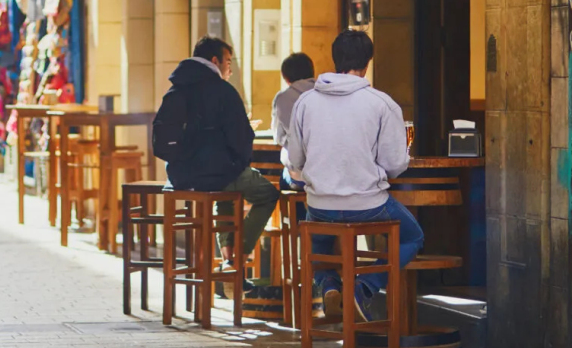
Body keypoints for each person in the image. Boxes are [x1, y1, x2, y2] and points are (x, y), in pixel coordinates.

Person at [286, 30, 420, 322]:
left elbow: (294, 160)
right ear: (368, 63)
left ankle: (330, 285)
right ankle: (364, 288)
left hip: (320, 204)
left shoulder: (305, 103)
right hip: (369, 205)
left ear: (334, 60)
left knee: (316, 243)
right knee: (412, 236)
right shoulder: (382, 104)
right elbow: (395, 163)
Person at [153, 36, 278, 276]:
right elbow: (242, 139)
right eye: (228, 62)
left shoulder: (176, 89)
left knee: (224, 186)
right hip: (217, 174)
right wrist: (236, 162)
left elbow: (162, 138)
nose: (230, 68)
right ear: (214, 61)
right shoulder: (224, 92)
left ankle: (228, 258)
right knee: (266, 194)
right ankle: (238, 256)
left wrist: (182, 161)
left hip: (182, 177)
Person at [272, 53, 315, 194]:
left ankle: (296, 216)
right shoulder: (326, 92)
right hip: (330, 173)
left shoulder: (283, 98)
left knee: (287, 179)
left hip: (301, 175)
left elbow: (278, 137)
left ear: (286, 78)